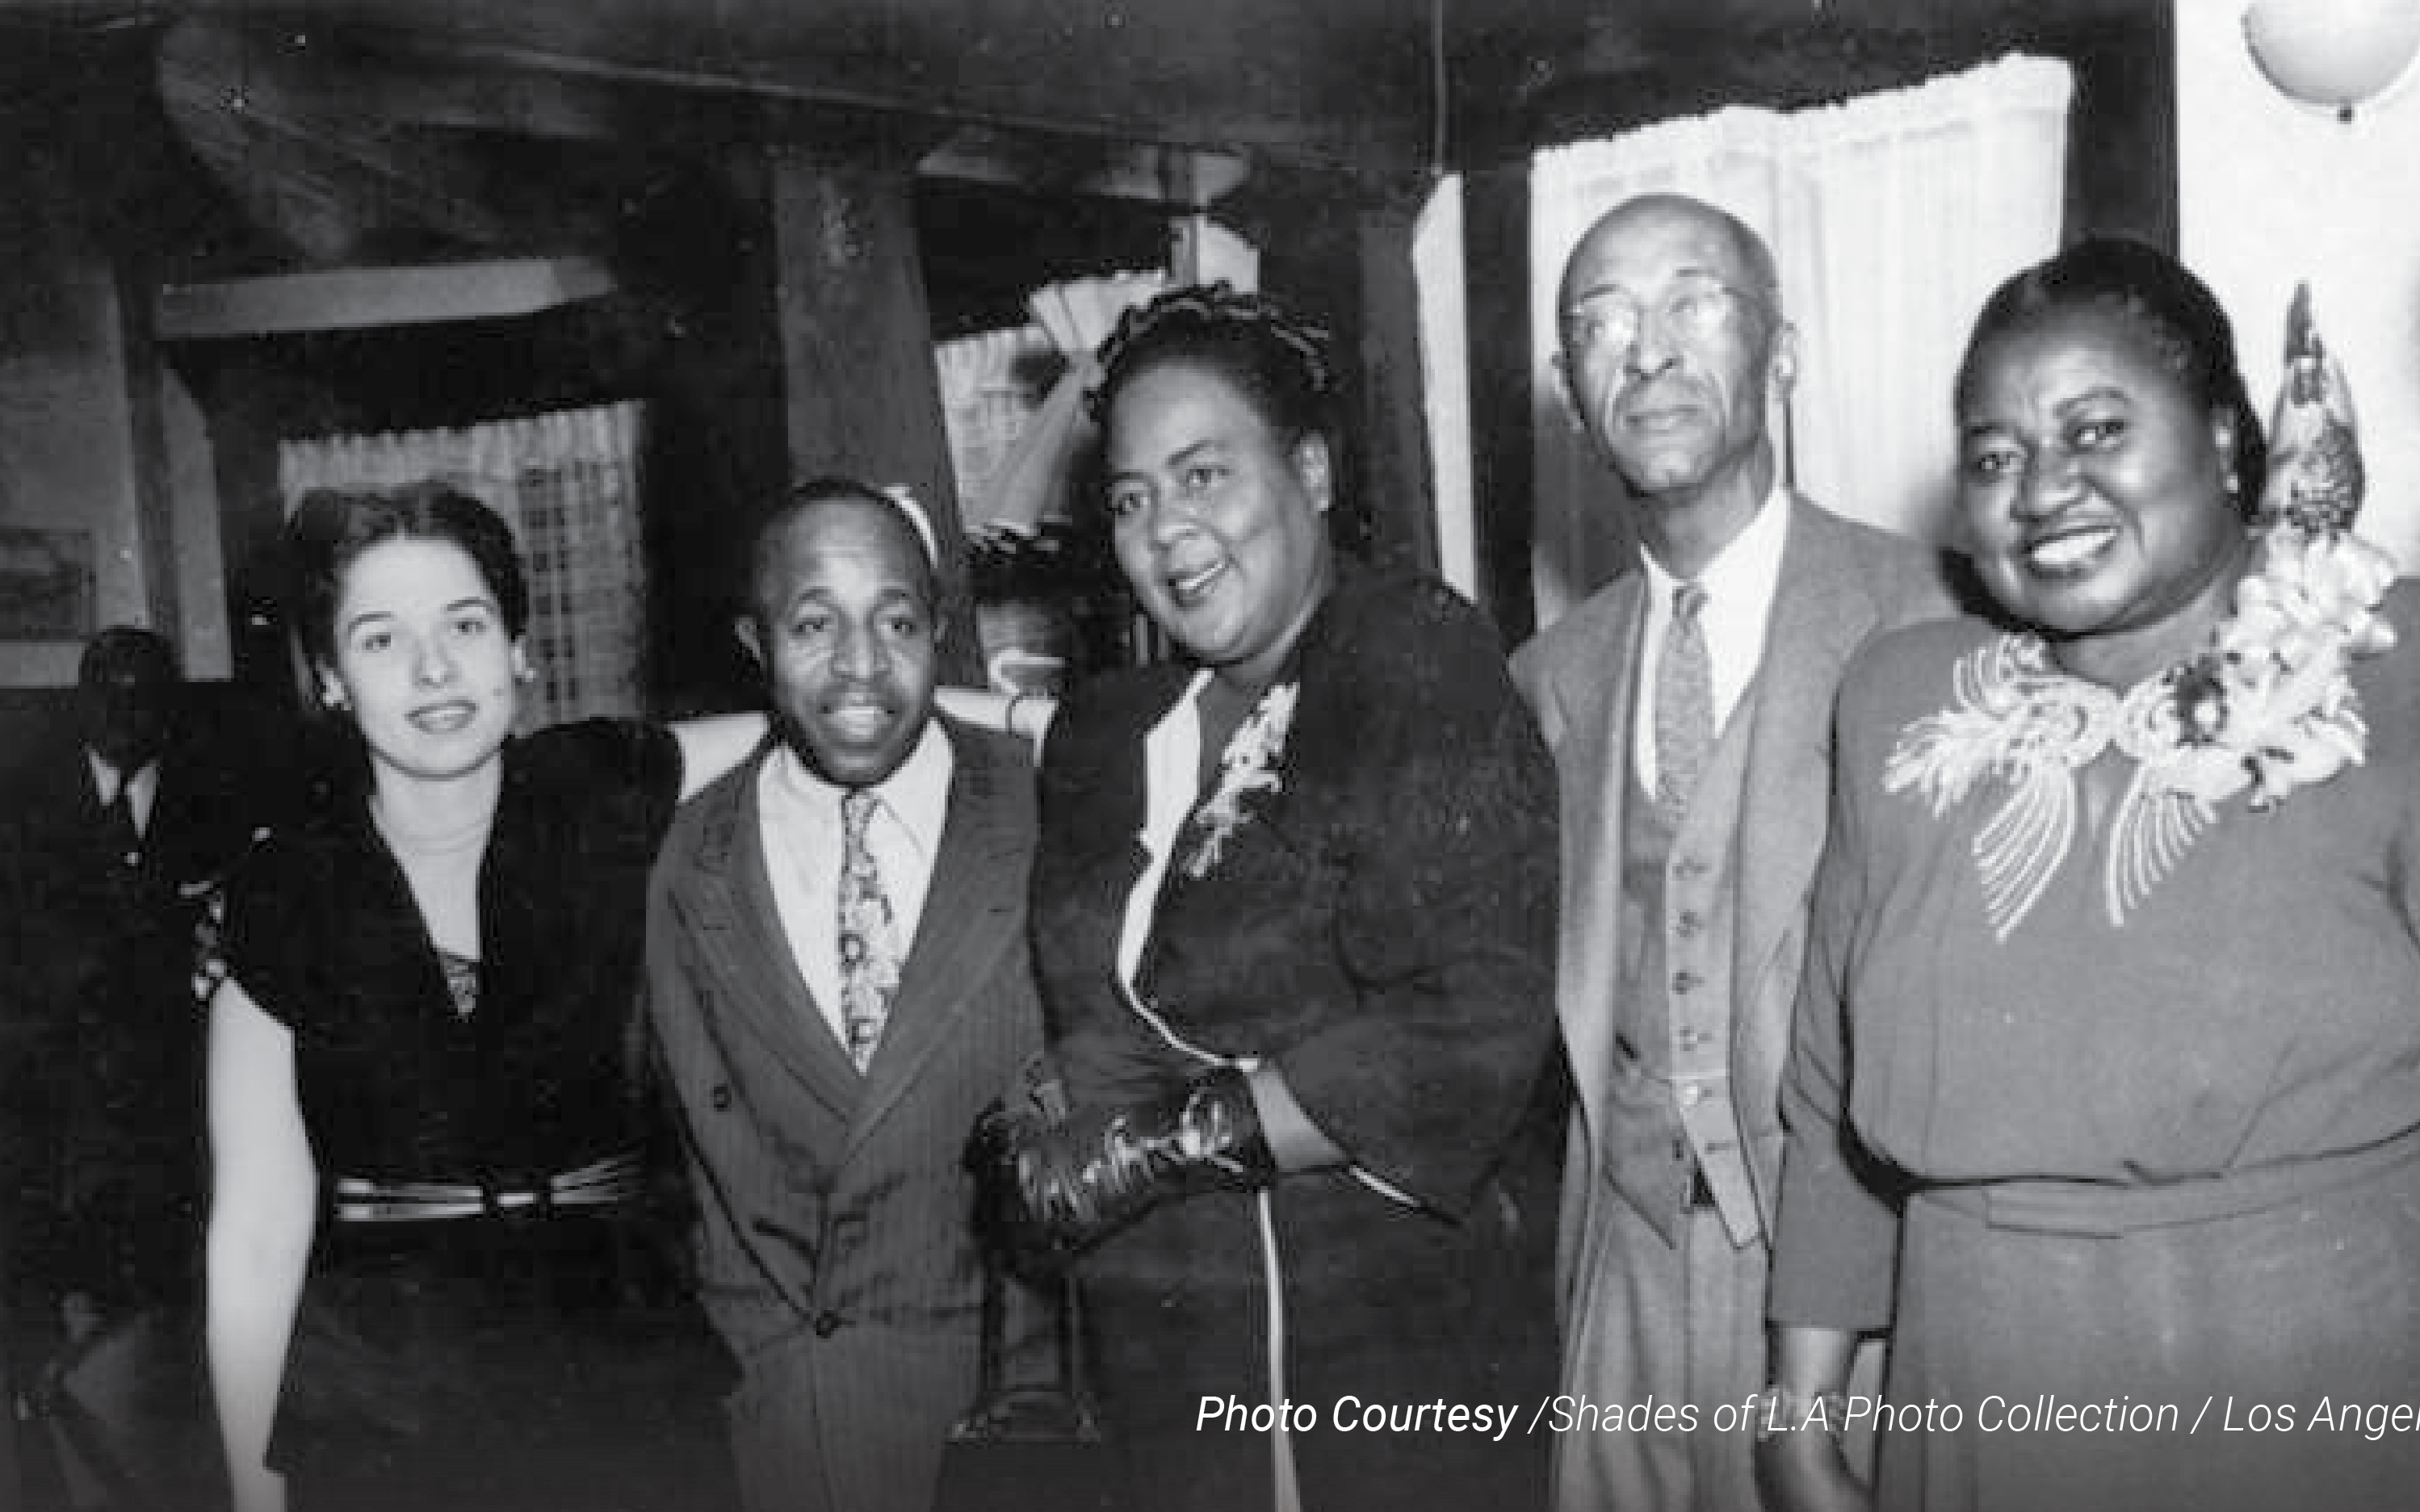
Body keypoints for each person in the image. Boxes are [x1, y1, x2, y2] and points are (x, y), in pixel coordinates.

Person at [1758, 238, 2420, 1512]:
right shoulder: (1897, 702)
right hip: (1980, 1384)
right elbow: (1823, 1097)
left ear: (2226, 438)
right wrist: (1800, 1425)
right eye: (1994, 455)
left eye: (2096, 429)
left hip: (2336, 1381)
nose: (2042, 489)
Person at [971, 284, 1560, 1512]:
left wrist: (1160, 1146)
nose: (1165, 530)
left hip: (1385, 1356)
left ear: (1312, 471)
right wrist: (1044, 1107)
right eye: (1131, 499)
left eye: (1203, 476)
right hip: (1162, 1363)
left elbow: (1467, 1025)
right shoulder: (1107, 730)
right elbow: (1097, 1004)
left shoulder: (1408, 654)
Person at [1508, 192, 1953, 1512]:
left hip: (1866, 1301)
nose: (1646, 349)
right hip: (1623, 1289)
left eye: (1693, 300)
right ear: (1570, 392)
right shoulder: (1547, 677)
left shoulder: (1936, 616)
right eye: (1602, 321)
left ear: (1783, 350)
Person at [202, 483, 768, 1512]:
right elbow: (254, 1229)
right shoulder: (286, 890)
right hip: (382, 1395)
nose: (432, 669)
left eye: (465, 625)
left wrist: (1050, 722)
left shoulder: (594, 788)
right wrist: (251, 1485)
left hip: (621, 1365)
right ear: (329, 679)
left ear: (517, 647)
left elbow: (831, 706)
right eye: (378, 641)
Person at [642, 476, 1045, 1512]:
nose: (861, 665)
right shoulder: (685, 860)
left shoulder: (1053, 811)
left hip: (1014, 1423)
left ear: (942, 630)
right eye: (813, 624)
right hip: (782, 1434)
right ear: (754, 641)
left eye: (897, 620)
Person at [1, 626, 279, 1510]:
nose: (126, 711)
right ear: (82, 697)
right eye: (109, 691)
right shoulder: (20, 806)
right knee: (57, 1356)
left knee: (160, 1349)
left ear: (170, 703)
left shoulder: (218, 802)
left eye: (145, 693)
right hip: (49, 1113)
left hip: (171, 1113)